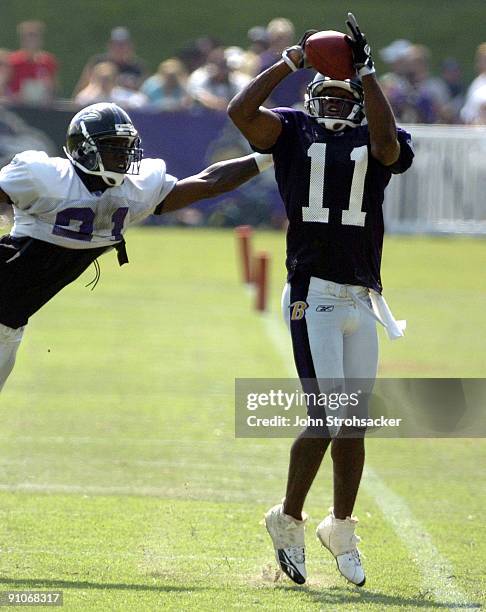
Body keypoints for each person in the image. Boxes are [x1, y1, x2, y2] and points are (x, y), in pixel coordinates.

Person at [228, 13, 414, 586]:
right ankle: (287, 518)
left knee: (354, 423)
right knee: (327, 415)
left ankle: (341, 525)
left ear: (360, 100)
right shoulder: (290, 131)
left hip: (362, 296)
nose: (332, 106)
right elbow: (240, 113)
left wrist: (366, 74)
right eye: (324, 97)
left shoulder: (377, 132)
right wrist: (290, 61)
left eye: (343, 97)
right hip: (313, 291)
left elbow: (385, 146)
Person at [0, 102, 271, 392]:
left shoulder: (134, 191)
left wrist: (267, 156)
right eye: (112, 146)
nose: (122, 155)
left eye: (126, 146)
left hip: (12, 322)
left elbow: (209, 183)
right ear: (84, 148)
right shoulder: (44, 177)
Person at [73, 27, 146, 98]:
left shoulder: (137, 67)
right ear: (110, 45)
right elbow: (82, 86)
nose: (120, 48)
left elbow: (144, 91)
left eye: (123, 44)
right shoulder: (98, 62)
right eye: (116, 44)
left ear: (130, 46)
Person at [8, 21, 58, 105]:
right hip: (17, 107)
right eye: (28, 36)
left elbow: (54, 87)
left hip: (41, 108)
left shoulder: (48, 61)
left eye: (35, 36)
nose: (31, 40)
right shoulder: (12, 61)